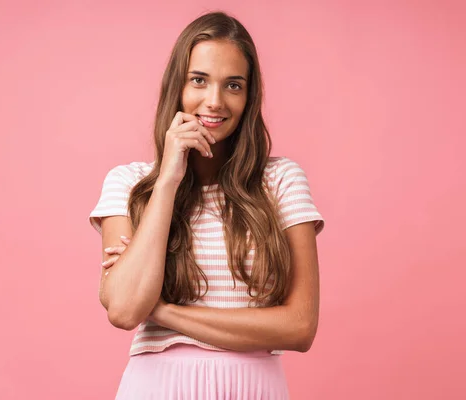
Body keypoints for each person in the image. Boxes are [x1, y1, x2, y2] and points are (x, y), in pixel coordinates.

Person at [88, 11, 325, 400]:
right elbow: (127, 311)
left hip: (254, 389)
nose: (214, 102)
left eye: (233, 85)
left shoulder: (281, 181)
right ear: (176, 87)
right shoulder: (128, 184)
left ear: (249, 97)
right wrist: (167, 181)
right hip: (156, 388)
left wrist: (162, 311)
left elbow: (300, 327)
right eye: (199, 80)